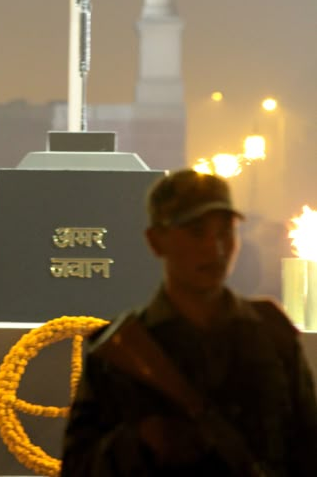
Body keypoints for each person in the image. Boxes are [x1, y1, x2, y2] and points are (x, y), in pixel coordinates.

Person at [60, 169, 317, 476]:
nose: (216, 249)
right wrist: (138, 442)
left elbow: (309, 443)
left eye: (226, 232)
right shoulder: (119, 349)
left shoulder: (271, 332)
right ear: (156, 242)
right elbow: (78, 466)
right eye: (196, 232)